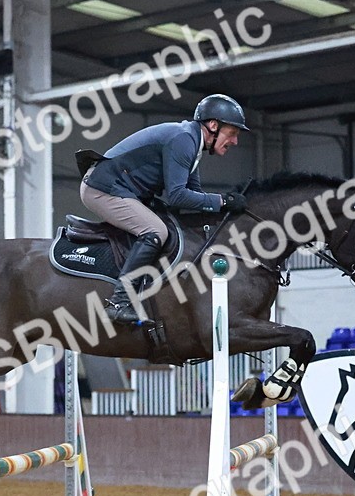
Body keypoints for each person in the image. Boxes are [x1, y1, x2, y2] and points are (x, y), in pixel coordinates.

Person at [79, 94, 250, 325]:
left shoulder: (192, 143)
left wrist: (223, 208)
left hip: (125, 190)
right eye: (233, 133)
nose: (235, 141)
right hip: (102, 189)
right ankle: (119, 303)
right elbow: (178, 196)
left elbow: (195, 197)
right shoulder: (183, 141)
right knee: (156, 231)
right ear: (213, 125)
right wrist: (223, 201)